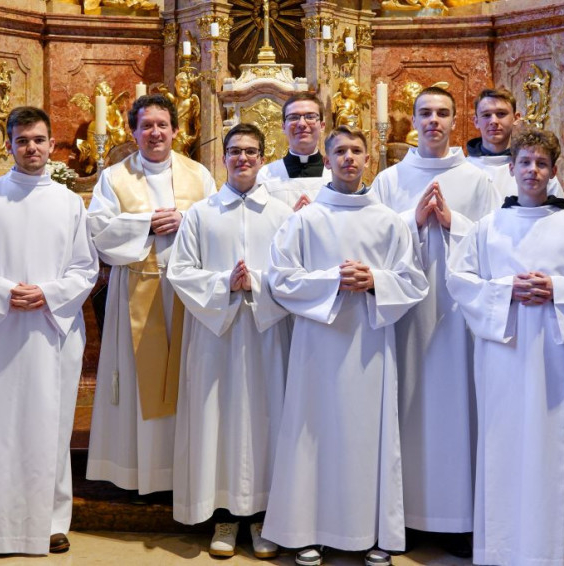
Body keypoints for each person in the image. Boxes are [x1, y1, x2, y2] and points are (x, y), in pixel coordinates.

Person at [447, 128, 564, 565]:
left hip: (559, 358)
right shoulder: (488, 227)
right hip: (504, 357)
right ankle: (502, 551)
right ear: (511, 168)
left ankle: (559, 554)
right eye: (525, 162)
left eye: (541, 164)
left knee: (559, 450)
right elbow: (460, 281)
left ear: (553, 171)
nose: (532, 170)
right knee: (503, 447)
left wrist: (558, 289)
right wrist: (506, 289)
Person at [262, 126, 428, 566]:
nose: (349, 158)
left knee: (368, 436)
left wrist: (375, 280)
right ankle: (308, 530)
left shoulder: (389, 221)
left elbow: (414, 281)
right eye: (340, 151)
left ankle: (374, 533)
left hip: (370, 345)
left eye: (356, 150)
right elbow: (280, 279)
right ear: (329, 159)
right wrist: (332, 280)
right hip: (318, 345)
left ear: (368, 159)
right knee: (313, 432)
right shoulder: (305, 220)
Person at [0, 106, 98, 555]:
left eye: (39, 140)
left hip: (48, 328)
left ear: (51, 143)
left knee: (50, 427)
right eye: (22, 141)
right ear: (8, 146)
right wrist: (3, 292)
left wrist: (48, 293)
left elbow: (85, 268)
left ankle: (51, 522)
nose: (31, 148)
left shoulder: (68, 203)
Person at [372, 86, 497, 557]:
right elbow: (373, 239)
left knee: (458, 407)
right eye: (425, 112)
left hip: (457, 316)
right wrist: (413, 220)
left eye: (443, 113)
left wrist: (452, 223)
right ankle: (403, 517)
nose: (433, 121)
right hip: (406, 314)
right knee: (406, 404)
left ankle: (457, 518)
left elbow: (493, 241)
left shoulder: (477, 180)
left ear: (456, 120)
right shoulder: (389, 180)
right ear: (413, 120)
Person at [168, 123, 292, 559]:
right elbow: (181, 271)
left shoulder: (282, 214)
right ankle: (223, 516)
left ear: (263, 158)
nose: (243, 158)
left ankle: (262, 518)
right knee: (216, 418)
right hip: (214, 335)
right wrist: (225, 283)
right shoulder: (202, 214)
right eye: (235, 151)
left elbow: (294, 274)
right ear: (223, 158)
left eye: (251, 151)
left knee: (266, 418)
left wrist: (255, 281)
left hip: (266, 332)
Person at [86, 94, 215, 497]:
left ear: (176, 130)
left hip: (187, 295)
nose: (155, 132)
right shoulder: (114, 177)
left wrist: (185, 219)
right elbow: (99, 231)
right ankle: (137, 473)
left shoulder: (199, 175)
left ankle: (183, 471)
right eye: (146, 125)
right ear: (133, 131)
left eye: (162, 124)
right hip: (135, 290)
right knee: (135, 382)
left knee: (186, 377)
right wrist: (147, 223)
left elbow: (217, 223)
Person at [466, 87, 564, 200]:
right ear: (476, 121)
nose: (493, 121)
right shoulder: (465, 169)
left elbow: (558, 210)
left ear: (516, 118)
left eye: (501, 114)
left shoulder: (536, 169)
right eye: (486, 115)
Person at [256, 92, 332, 211]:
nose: (302, 124)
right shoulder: (265, 175)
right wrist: (290, 218)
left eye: (310, 117)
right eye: (293, 117)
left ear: (322, 126)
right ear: (283, 127)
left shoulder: (335, 174)